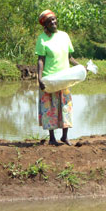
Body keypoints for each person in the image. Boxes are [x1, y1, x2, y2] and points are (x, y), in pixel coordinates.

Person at [36, 10, 83, 146]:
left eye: (54, 19)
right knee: (49, 107)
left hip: (65, 77)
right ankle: (52, 138)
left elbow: (69, 57)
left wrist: (80, 67)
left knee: (65, 106)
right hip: (49, 78)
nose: (53, 22)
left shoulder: (64, 36)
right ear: (45, 24)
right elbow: (40, 60)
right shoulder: (42, 39)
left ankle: (64, 137)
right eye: (49, 21)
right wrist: (39, 78)